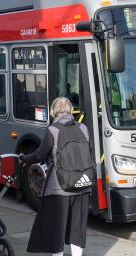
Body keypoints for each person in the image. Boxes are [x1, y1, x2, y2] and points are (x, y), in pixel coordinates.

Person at [20, 97, 90, 256]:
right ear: (71, 110)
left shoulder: (53, 130)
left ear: (53, 112)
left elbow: (40, 154)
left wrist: (25, 158)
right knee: (76, 229)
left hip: (59, 188)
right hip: (82, 185)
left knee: (56, 229)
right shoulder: (83, 128)